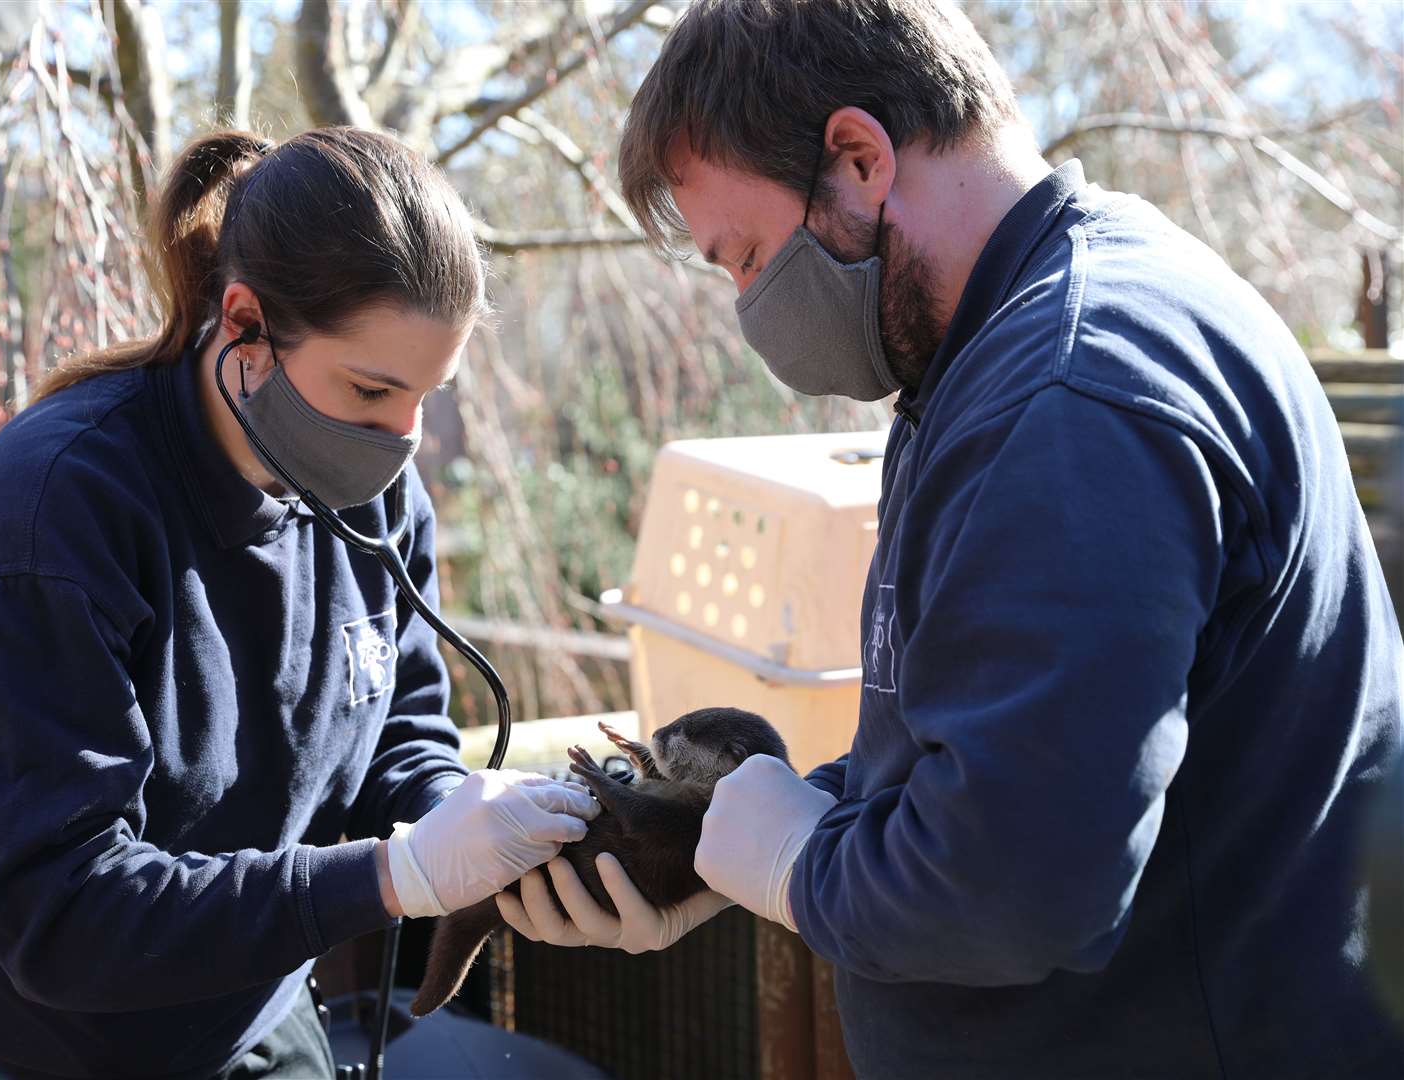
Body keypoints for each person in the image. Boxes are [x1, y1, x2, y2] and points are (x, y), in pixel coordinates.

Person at [499, 1, 1404, 1076]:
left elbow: (1017, 885)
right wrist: (729, 843)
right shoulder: (993, 356)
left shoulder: (1069, 398)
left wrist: (799, 866)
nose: (750, 308)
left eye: (745, 257)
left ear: (859, 157)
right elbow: (988, 755)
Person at [0, 127, 600, 1079]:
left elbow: (396, 732)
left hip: (246, 1019)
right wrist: (401, 875)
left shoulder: (368, 492)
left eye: (427, 394)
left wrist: (467, 826)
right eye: (371, 388)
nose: (403, 440)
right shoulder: (58, 512)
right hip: (15, 1047)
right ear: (244, 323)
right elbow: (63, 915)